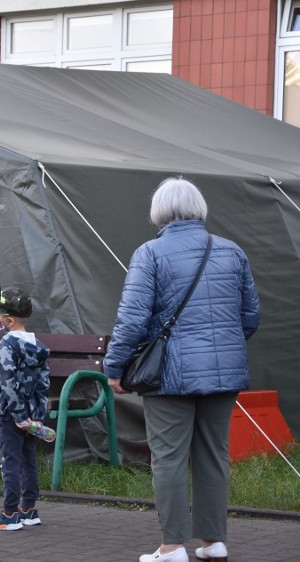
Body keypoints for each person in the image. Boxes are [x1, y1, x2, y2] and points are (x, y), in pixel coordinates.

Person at [103, 177, 260, 562]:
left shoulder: (150, 252)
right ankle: (213, 542)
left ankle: (172, 546)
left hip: (169, 376)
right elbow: (251, 315)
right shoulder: (231, 250)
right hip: (224, 374)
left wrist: (115, 367)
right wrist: (221, 348)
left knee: (169, 458)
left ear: (159, 211)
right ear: (199, 207)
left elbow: (132, 320)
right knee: (212, 455)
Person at [0, 288, 51, 532]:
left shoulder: (6, 346)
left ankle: (9, 513)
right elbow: (44, 383)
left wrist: (19, 416)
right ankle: (28, 509)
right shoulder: (38, 347)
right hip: (31, 415)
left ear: (8, 321)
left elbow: (8, 382)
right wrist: (35, 416)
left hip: (10, 415)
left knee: (9, 462)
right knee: (28, 460)